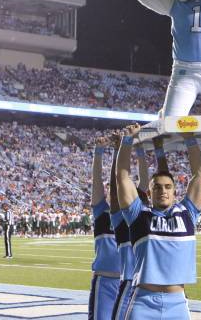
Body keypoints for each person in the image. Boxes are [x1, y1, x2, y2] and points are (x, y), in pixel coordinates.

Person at [116, 124, 201, 319]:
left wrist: (189, 137)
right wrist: (128, 140)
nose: (163, 191)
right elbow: (122, 177)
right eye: (157, 187)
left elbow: (200, 174)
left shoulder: (187, 213)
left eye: (168, 187)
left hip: (177, 303)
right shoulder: (138, 214)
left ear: (175, 192)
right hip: (142, 301)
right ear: (149, 193)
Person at [109, 132, 151, 320]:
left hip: (150, 283)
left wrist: (140, 149)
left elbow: (144, 179)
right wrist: (118, 149)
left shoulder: (145, 214)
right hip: (129, 282)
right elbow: (116, 185)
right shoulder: (120, 217)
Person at [88, 137, 121, 320]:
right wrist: (99, 152)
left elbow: (120, 179)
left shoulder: (132, 214)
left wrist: (121, 149)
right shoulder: (102, 211)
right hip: (104, 280)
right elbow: (97, 180)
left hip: (128, 280)